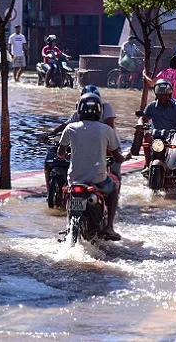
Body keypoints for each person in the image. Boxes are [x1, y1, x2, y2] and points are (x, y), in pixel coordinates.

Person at [58, 93, 125, 241]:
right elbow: (116, 155)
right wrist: (124, 158)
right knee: (113, 188)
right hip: (98, 180)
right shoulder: (106, 129)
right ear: (100, 111)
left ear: (79, 110)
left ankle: (69, 227)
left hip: (74, 180)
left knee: (68, 194)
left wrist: (67, 154)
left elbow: (60, 153)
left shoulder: (70, 128)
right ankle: (109, 227)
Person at [40, 85, 121, 177]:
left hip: (107, 145)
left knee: (115, 173)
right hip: (90, 145)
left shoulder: (106, 107)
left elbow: (109, 125)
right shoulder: (77, 117)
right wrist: (50, 134)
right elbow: (64, 125)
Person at [136, 80, 176, 171]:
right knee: (146, 138)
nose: (163, 98)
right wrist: (140, 124)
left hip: (174, 135)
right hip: (156, 134)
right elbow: (143, 118)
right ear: (156, 95)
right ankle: (148, 164)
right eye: (160, 95)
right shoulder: (151, 106)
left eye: (165, 95)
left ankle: (175, 166)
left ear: (169, 94)